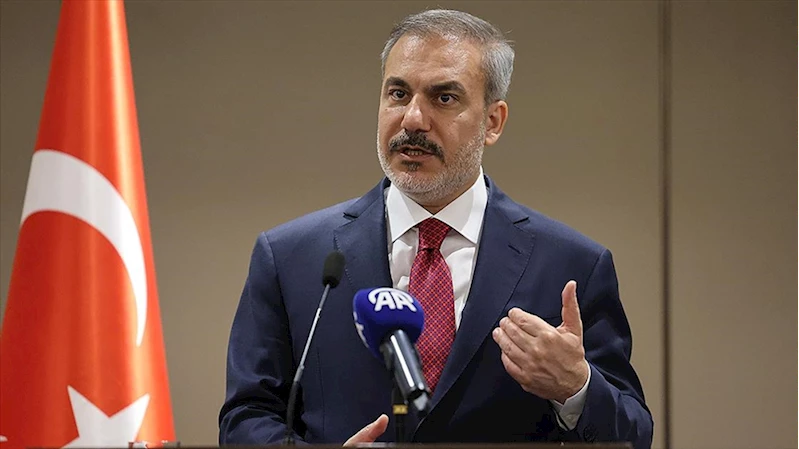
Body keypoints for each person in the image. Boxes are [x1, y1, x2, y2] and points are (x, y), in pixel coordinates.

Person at [219, 9, 653, 448]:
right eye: (398, 93)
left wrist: (575, 388)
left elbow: (633, 435)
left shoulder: (571, 265)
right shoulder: (292, 256)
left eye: (444, 98)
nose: (412, 119)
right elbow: (246, 418)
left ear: (492, 122)